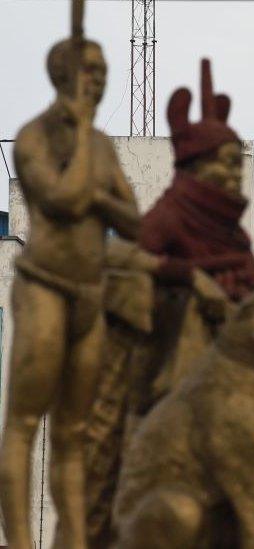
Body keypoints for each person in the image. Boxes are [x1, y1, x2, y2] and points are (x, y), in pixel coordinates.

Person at [0, 6, 142, 546]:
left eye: (106, 72)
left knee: (75, 434)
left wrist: (99, 193)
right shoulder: (33, 136)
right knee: (23, 422)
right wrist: (82, 134)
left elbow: (133, 222)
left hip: (89, 295)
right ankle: (20, 540)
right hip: (45, 287)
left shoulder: (103, 147)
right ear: (63, 74)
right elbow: (62, 199)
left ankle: (75, 541)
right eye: (92, 71)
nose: (101, 81)